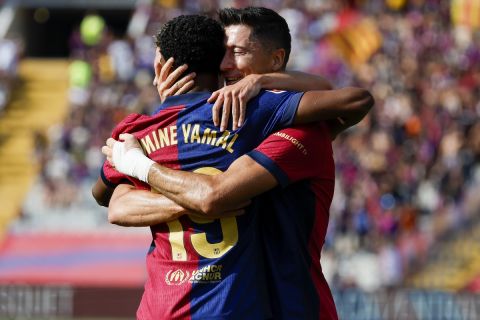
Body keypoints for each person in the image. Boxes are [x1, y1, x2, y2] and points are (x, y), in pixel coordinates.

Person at [93, 10, 373, 320]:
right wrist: (175, 117)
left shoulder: (292, 126)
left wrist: (146, 157)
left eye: (236, 52)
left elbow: (352, 99)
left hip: (295, 307)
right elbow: (119, 206)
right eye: (221, 55)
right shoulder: (249, 117)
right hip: (237, 305)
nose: (226, 64)